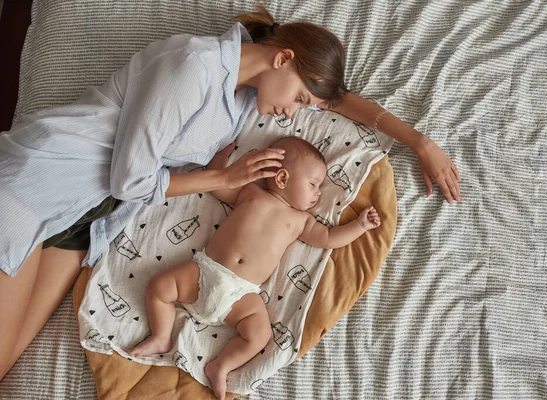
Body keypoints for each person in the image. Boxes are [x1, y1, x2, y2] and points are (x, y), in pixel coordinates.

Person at [0, 5, 459, 380]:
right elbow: (129, 180)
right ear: (282, 58)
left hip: (84, 220)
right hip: (41, 183)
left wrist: (419, 141)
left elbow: (338, 98)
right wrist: (224, 180)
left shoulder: (243, 98)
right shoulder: (193, 67)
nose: (290, 115)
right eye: (299, 100)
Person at [128, 137, 381, 400]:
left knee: (259, 335)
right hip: (205, 271)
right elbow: (217, 187)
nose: (319, 193)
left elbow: (329, 238)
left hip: (242, 294)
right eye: (313, 185)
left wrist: (359, 227)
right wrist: (220, 159)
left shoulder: (302, 221)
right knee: (159, 286)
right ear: (282, 178)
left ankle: (221, 365)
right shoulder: (249, 193)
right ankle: (161, 336)